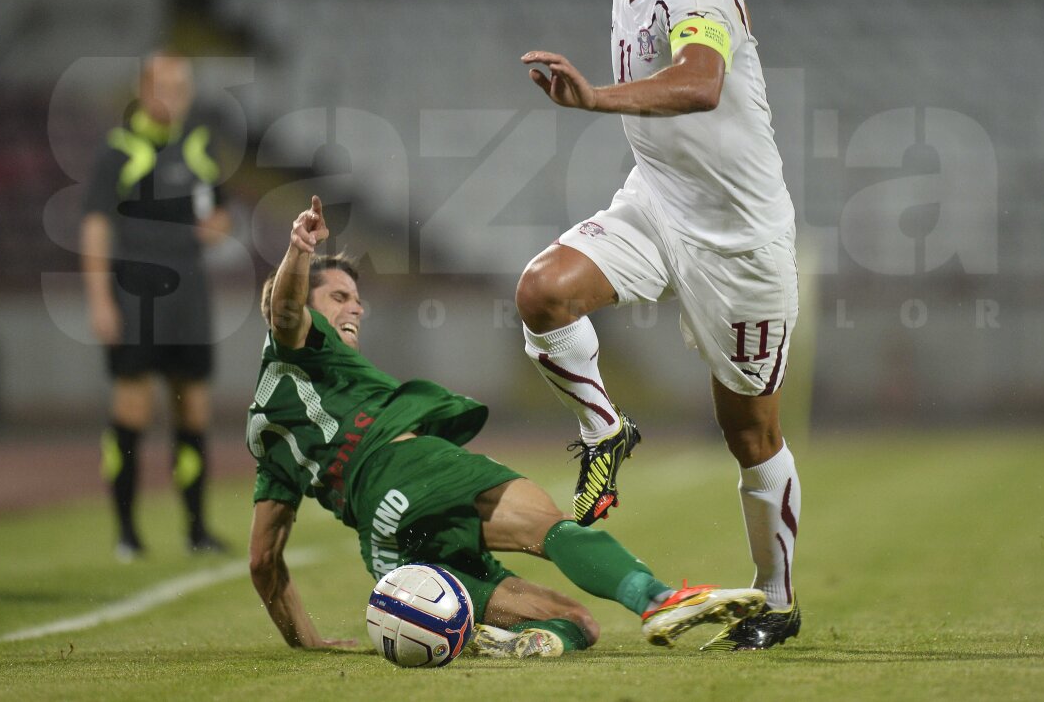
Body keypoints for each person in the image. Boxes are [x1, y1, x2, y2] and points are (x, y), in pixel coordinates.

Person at [246, 195, 766, 658]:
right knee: (551, 526)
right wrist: (298, 251)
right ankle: (657, 601)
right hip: (411, 470)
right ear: (302, 305)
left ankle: (505, 643)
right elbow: (286, 309)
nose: (354, 305)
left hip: (389, 554)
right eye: (338, 297)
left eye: (356, 297)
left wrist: (307, 644)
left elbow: (264, 561)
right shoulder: (301, 346)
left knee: (579, 624)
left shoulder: (269, 432)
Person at [515, 0, 802, 651]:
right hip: (655, 205)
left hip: (740, 240)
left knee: (749, 434)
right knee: (541, 291)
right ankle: (605, 431)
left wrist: (595, 99)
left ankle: (776, 599)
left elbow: (701, 80)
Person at [81, 51, 232, 560]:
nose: (174, 95)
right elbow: (96, 227)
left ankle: (196, 529)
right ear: (144, 90)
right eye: (164, 86)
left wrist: (217, 228)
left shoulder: (201, 147)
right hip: (135, 294)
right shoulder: (118, 150)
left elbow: (220, 213)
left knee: (194, 411)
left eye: (181, 86)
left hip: (189, 294)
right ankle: (126, 532)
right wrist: (100, 299)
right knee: (132, 409)